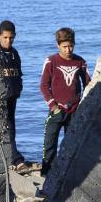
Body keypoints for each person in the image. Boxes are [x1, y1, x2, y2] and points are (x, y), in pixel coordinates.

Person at [39, 27, 90, 176]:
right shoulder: (51, 61)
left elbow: (88, 84)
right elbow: (43, 85)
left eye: (71, 46)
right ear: (58, 46)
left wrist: (82, 105)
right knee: (49, 144)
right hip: (57, 110)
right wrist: (53, 107)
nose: (68, 49)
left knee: (71, 145)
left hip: (74, 110)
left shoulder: (80, 62)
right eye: (65, 46)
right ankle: (46, 175)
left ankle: (68, 174)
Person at [0, 20, 32, 173]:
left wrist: (19, 88)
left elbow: (18, 73)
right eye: (5, 37)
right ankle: (16, 159)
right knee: (7, 127)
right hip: (1, 97)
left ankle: (12, 156)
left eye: (11, 37)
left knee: (11, 125)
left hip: (13, 95)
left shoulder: (14, 53)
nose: (8, 41)